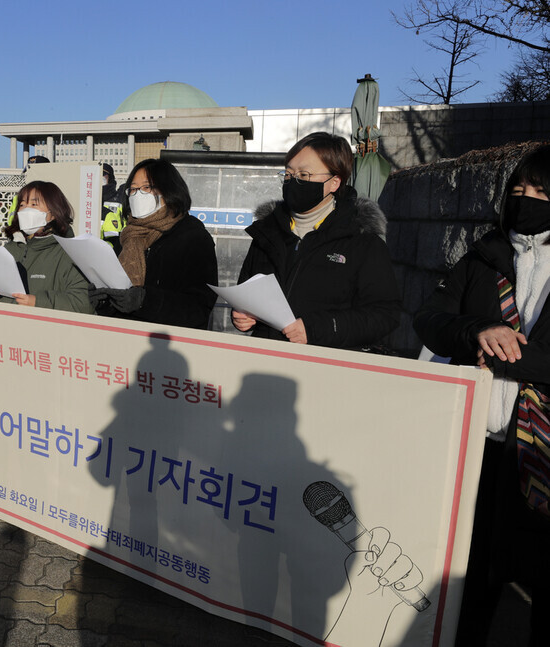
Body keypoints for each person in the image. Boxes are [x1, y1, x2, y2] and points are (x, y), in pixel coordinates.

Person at [414, 144, 550, 646]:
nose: (526, 199)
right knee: (466, 580)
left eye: (540, 191)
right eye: (518, 190)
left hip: (541, 454)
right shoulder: (482, 255)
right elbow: (430, 319)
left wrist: (500, 353)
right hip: (479, 446)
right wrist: (477, 331)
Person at [232, 132, 400, 348]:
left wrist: (318, 329)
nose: (294, 181)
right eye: (289, 174)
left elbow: (385, 315)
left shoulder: (362, 241)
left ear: (334, 182)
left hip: (324, 367)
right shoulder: (267, 232)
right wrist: (242, 316)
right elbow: (245, 291)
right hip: (264, 358)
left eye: (304, 174)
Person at [89, 158, 217, 329]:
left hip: (168, 345)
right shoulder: (128, 236)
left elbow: (199, 308)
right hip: (123, 342)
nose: (138, 194)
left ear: (169, 190)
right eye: (133, 189)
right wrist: (104, 302)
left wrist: (144, 300)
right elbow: (120, 299)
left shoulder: (193, 237)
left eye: (146, 187)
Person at [0, 180, 92, 313]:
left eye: (34, 204)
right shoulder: (11, 249)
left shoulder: (69, 254)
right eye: (22, 204)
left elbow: (83, 302)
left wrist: (37, 302)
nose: (26, 209)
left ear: (53, 212)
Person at [100, 163, 126, 250]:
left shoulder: (119, 198)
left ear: (110, 178)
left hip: (113, 247)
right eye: (98, 174)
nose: (100, 177)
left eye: (103, 175)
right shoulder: (87, 198)